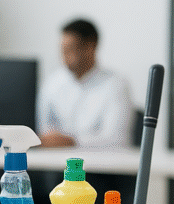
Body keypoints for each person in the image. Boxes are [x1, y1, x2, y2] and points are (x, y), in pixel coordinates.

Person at [36, 18, 134, 149]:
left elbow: (116, 140)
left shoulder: (116, 85)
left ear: (90, 47)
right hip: (57, 164)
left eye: (70, 50)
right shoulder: (52, 83)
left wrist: (71, 142)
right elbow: (46, 132)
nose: (64, 56)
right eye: (62, 50)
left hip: (100, 166)